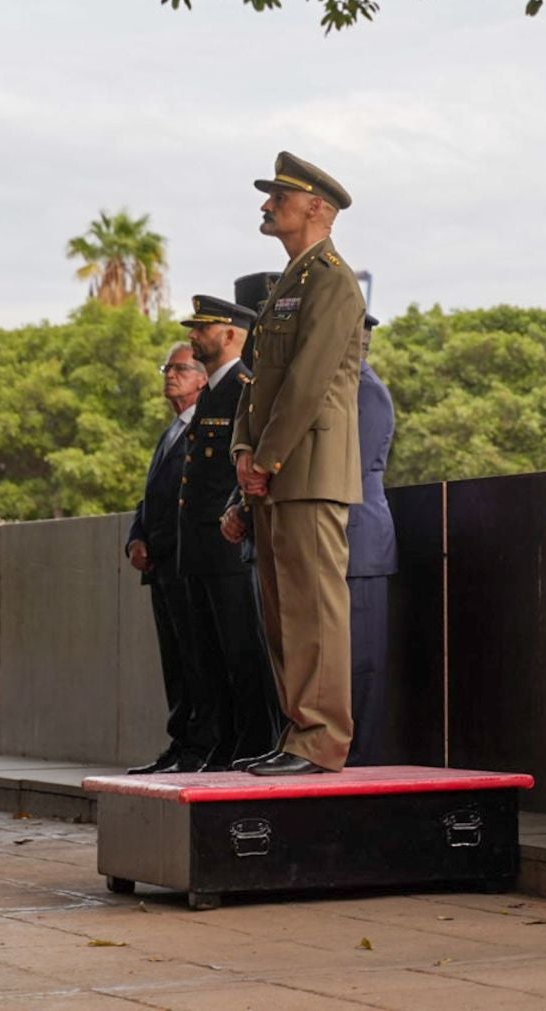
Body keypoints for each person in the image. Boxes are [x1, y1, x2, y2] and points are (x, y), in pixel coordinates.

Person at [229, 151, 367, 776]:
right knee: (286, 613)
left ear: (318, 206)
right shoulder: (293, 279)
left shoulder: (333, 279)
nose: (267, 205)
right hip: (275, 470)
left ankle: (321, 740)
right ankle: (297, 733)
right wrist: (241, 450)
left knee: (314, 609)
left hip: (306, 468)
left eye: (279, 196)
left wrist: (267, 456)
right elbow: (257, 382)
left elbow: (309, 381)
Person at [176, 294, 281, 770]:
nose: (193, 336)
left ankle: (251, 743)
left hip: (227, 544)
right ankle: (220, 745)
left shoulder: (243, 386)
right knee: (206, 657)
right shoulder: (213, 394)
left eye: (204, 328)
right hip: (197, 548)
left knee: (241, 653)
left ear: (233, 333)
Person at [123, 343, 209, 773]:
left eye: (180, 368)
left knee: (197, 661)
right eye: (167, 368)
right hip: (160, 567)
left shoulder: (205, 430)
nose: (169, 375)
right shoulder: (173, 430)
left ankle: (198, 749)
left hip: (187, 565)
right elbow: (151, 496)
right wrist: (135, 538)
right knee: (173, 662)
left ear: (202, 377)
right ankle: (179, 744)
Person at [345, 314, 398, 766]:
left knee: (361, 666)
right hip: (335, 542)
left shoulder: (365, 391)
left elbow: (354, 468)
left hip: (358, 542)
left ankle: (363, 763)